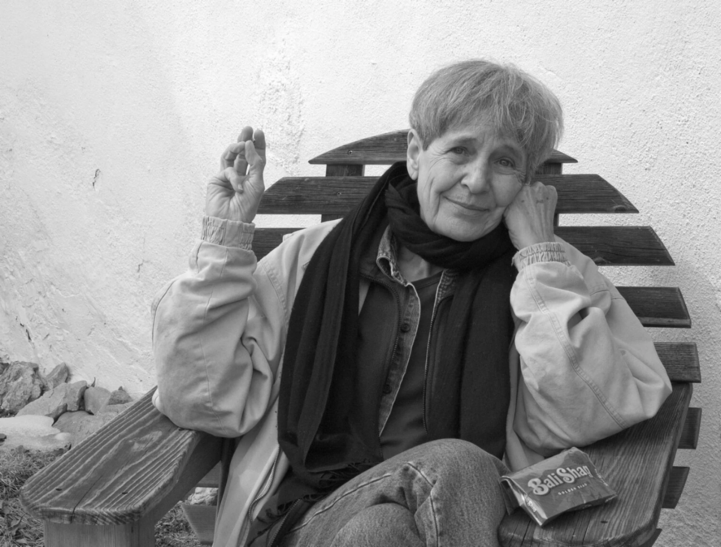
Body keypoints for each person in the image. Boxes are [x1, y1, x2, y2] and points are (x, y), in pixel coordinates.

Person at [151, 60, 671, 547]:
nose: (477, 181)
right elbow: (203, 399)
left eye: (505, 162)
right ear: (416, 152)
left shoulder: (550, 273)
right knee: (455, 464)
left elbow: (590, 414)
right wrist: (224, 244)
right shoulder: (314, 260)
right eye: (460, 151)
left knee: (382, 529)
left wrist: (538, 261)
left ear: (525, 182)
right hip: (308, 515)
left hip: (457, 520)